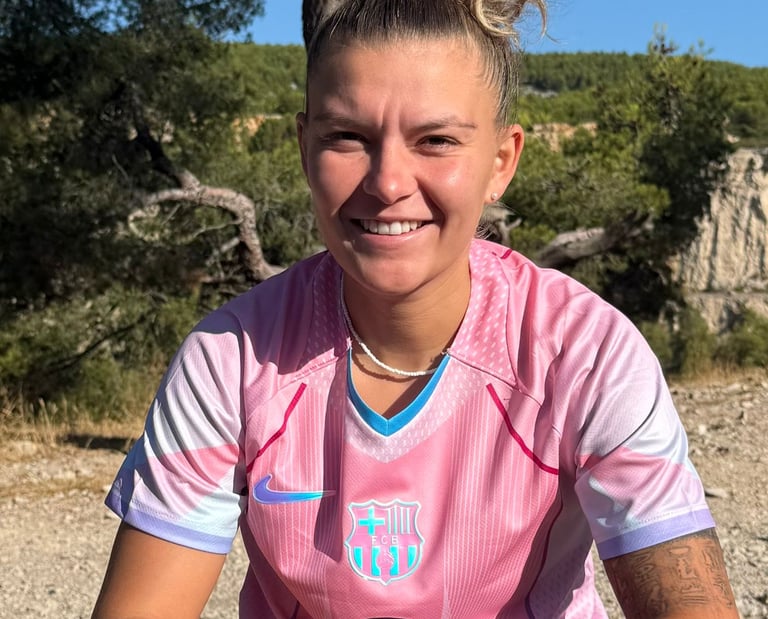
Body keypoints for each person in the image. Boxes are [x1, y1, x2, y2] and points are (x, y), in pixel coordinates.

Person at [92, 1, 739, 617]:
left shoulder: (585, 352)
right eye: (348, 136)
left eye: (436, 140)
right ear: (304, 147)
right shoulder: (229, 359)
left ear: (501, 161)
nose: (388, 183)